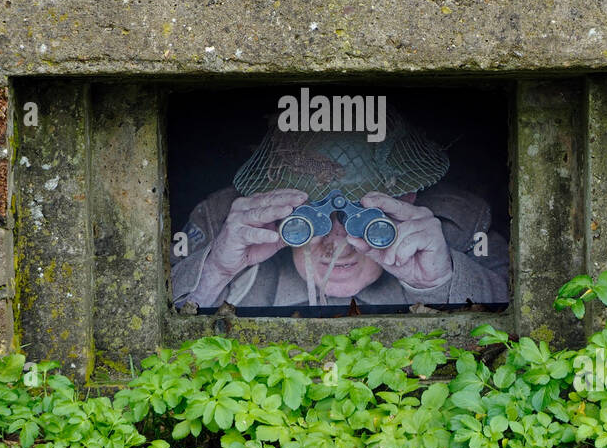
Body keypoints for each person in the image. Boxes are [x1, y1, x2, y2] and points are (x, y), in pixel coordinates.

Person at [171, 112, 508, 313]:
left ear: (407, 198)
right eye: (308, 219)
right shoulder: (224, 224)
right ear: (271, 200)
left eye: (361, 217)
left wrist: (442, 281)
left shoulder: (457, 225)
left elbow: (524, 319)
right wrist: (214, 270)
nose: (340, 244)